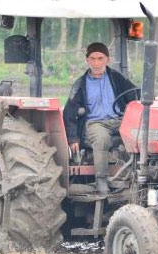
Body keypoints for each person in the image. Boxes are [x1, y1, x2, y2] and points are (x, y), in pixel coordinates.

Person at [63, 42, 137, 193]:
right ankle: (101, 180)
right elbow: (69, 112)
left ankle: (137, 175)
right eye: (93, 59)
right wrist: (73, 138)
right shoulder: (80, 84)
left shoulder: (117, 78)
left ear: (107, 60)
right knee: (102, 138)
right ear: (87, 60)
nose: (96, 63)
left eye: (100, 58)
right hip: (95, 123)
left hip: (118, 120)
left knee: (138, 133)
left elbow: (135, 95)